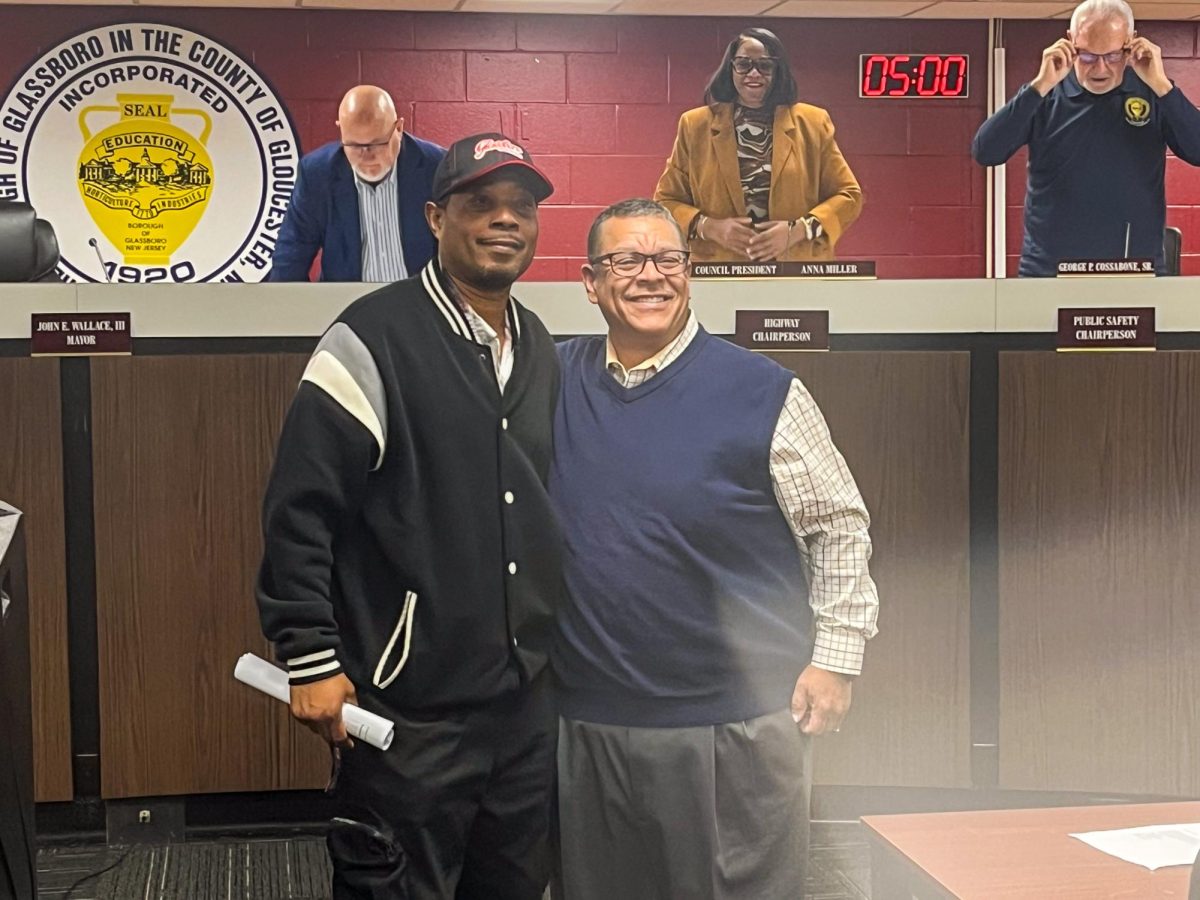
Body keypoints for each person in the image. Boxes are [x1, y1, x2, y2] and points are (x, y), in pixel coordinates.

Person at [256, 133, 561, 899]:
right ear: (434, 217)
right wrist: (310, 655)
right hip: (407, 715)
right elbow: (301, 511)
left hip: (523, 711)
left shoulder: (540, 348)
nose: (503, 220)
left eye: (520, 206)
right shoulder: (371, 338)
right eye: (479, 203)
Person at [550, 198, 880, 900]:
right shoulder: (550, 382)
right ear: (589, 281)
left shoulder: (765, 392)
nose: (650, 276)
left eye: (667, 259)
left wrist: (836, 659)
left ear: (689, 272)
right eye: (626, 261)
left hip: (737, 729)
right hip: (590, 725)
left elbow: (838, 525)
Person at [972, 0, 1200, 276]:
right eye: (1088, 56)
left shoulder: (1154, 94)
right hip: (1048, 273)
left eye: (1113, 56)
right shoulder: (1045, 97)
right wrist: (1039, 85)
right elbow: (986, 152)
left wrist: (1163, 86)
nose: (1100, 69)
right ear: (1070, 43)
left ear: (1131, 44)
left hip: (1135, 271)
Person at [654, 27, 862, 263]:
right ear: (730, 68)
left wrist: (799, 230)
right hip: (719, 269)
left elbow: (849, 196)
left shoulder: (813, 123)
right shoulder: (695, 125)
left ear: (778, 70)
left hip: (796, 268)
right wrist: (710, 228)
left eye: (765, 66)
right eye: (743, 64)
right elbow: (666, 201)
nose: (753, 73)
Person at [268, 85, 445, 282]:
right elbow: (291, 255)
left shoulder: (437, 167)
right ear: (340, 130)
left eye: (377, 143)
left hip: (420, 301)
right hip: (347, 303)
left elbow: (460, 251)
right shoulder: (317, 174)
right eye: (353, 145)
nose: (366, 155)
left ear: (399, 128)